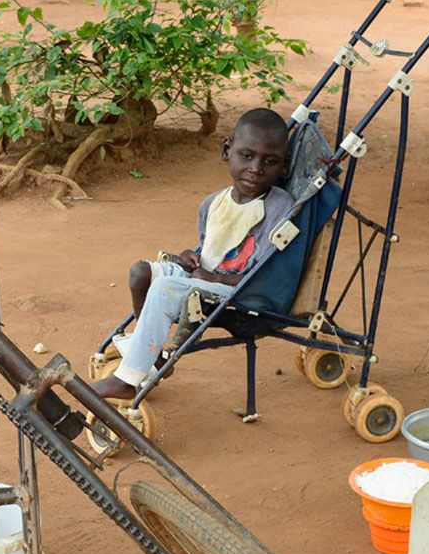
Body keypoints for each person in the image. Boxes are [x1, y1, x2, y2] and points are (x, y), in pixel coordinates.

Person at [89, 108, 294, 401]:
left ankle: (128, 378)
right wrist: (190, 256)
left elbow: (265, 272)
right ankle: (152, 354)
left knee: (162, 288)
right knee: (141, 273)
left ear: (283, 165)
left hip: (241, 294)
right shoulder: (213, 203)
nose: (256, 168)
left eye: (269, 161)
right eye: (246, 156)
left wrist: (212, 276)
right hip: (204, 277)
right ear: (227, 150)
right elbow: (210, 250)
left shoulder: (279, 208)